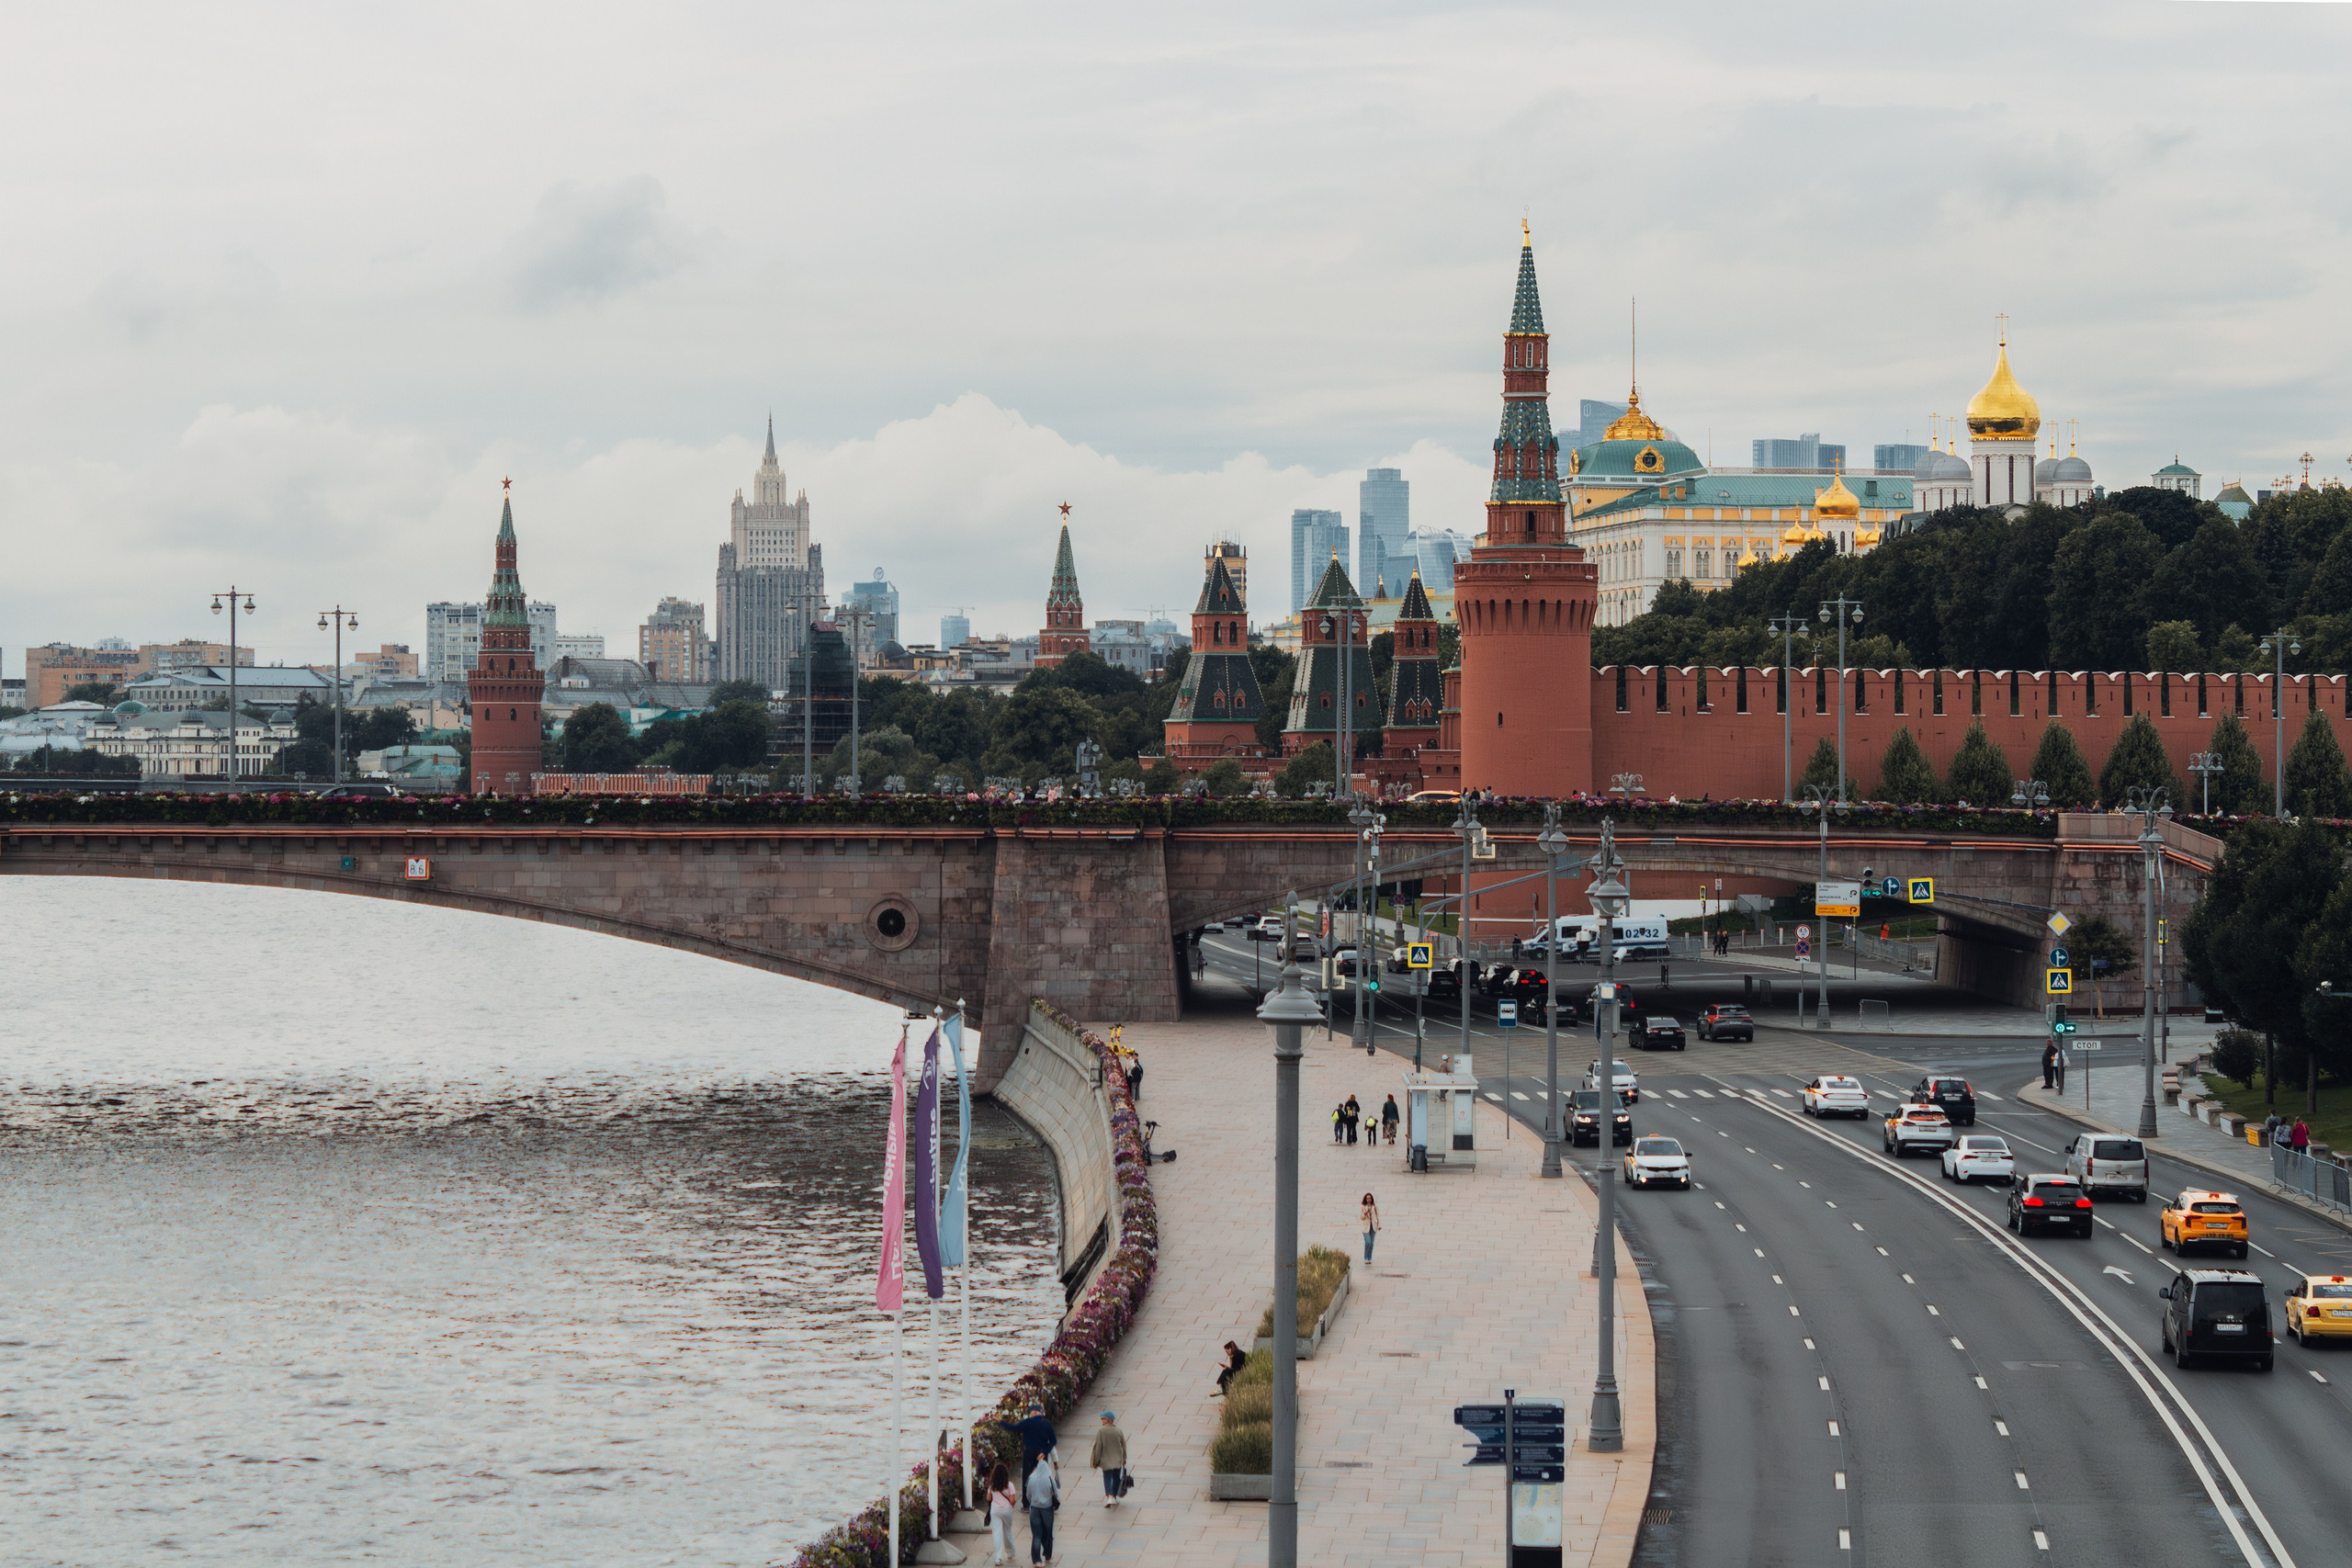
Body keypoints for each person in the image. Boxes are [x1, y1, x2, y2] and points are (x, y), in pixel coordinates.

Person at [996, 1401, 1058, 1488]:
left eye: (1030, 1412)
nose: (1030, 1414)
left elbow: (1014, 1428)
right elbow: (1053, 1441)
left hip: (1029, 1452)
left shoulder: (1028, 1422)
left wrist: (1001, 1421)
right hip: (1042, 1454)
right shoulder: (1047, 1424)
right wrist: (1044, 1452)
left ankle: (1026, 1500)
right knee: (1043, 1477)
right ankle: (1044, 1497)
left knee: (1026, 1477)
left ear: (1034, 1412)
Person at [1024, 1451, 1060, 1564]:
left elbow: (1028, 1495)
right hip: (1047, 1508)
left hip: (1034, 1508)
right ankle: (1048, 1554)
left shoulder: (1032, 1478)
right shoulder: (1049, 1478)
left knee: (1036, 1535)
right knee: (1048, 1532)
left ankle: (1037, 1560)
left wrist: (1033, 1502)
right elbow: (1056, 1493)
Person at [1089, 1410, 1128, 1506]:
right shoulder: (1118, 1431)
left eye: (1104, 1419)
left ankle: (1109, 1497)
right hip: (1118, 1459)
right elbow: (1123, 1445)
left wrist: (1096, 1461)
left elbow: (1098, 1448)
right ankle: (1114, 1497)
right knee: (1116, 1478)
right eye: (1102, 1419)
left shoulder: (1101, 1431)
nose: (1102, 1421)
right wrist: (1124, 1459)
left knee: (1107, 1477)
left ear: (1110, 1420)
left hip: (1106, 1461)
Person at [986, 1462, 1020, 1565]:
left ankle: (998, 1557)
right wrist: (1011, 1504)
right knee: (1007, 1531)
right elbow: (1012, 1500)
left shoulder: (992, 1485)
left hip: (995, 1511)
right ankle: (1010, 1551)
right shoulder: (1009, 1485)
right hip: (1006, 1510)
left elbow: (988, 1498)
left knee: (997, 1533)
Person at [1362, 1191, 1381, 1261]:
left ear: (1371, 1199)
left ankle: (1369, 1258)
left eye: (1370, 1198)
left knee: (1371, 1244)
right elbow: (1362, 1217)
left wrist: (1379, 1225)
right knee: (1368, 1242)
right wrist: (1366, 1213)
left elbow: (1377, 1216)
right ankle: (1366, 1257)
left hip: (1373, 1226)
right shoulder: (1363, 1207)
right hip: (1366, 1227)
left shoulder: (1374, 1207)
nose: (1368, 1199)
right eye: (1367, 1198)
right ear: (1365, 1199)